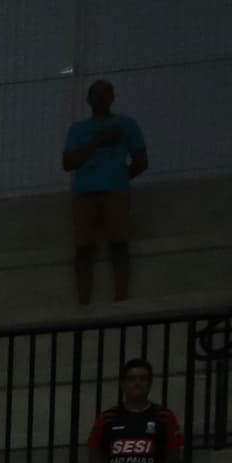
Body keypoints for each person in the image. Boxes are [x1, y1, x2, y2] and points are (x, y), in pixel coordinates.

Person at [62, 77, 147, 306]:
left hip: (115, 193)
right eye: (97, 93)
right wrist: (97, 142)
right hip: (84, 194)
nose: (101, 98)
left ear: (113, 97)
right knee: (83, 248)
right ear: (89, 99)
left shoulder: (127, 124)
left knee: (118, 244)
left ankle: (121, 297)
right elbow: (68, 163)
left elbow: (141, 161)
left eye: (106, 92)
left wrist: (118, 178)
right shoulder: (78, 130)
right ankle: (83, 302)